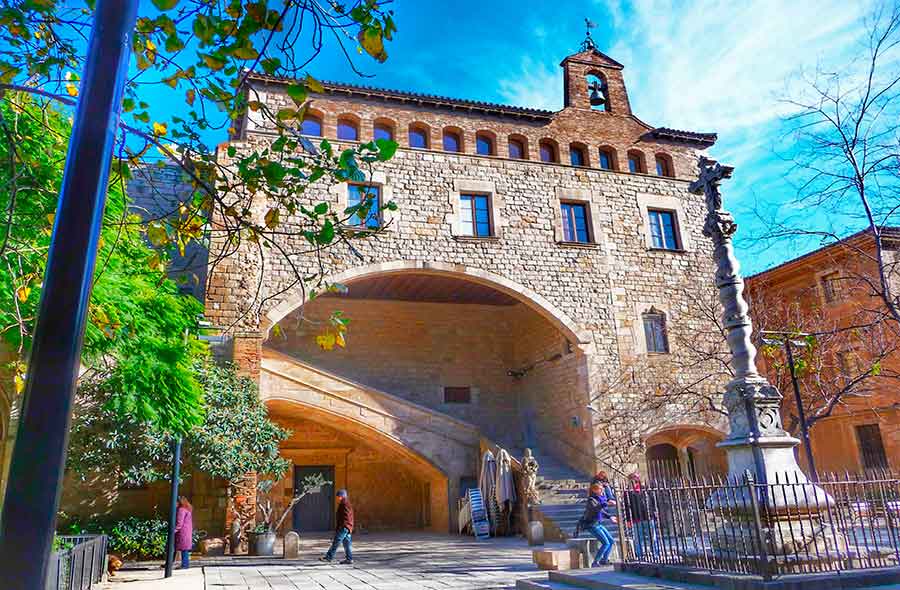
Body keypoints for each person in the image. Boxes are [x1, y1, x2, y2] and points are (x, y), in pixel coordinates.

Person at [578, 483, 616, 567]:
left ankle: (604, 560)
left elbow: (601, 511)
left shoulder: (600, 499)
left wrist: (610, 517)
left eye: (602, 489)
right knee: (605, 543)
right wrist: (607, 504)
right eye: (600, 489)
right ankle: (595, 562)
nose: (602, 490)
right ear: (594, 490)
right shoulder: (591, 500)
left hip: (598, 524)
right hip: (592, 525)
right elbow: (596, 508)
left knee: (611, 541)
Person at [623, 472, 658, 559]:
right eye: (633, 478)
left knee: (652, 537)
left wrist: (654, 512)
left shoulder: (645, 488)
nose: (635, 480)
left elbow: (652, 501)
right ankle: (639, 554)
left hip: (648, 515)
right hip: (636, 517)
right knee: (638, 538)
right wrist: (628, 520)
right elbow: (627, 506)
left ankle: (655, 553)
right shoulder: (628, 492)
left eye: (636, 478)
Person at [320, 489, 354, 564]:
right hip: (347, 527)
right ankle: (349, 559)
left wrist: (342, 526)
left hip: (344, 527)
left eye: (339, 496)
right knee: (347, 544)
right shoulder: (346, 503)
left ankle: (329, 557)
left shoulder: (344, 504)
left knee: (336, 542)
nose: (338, 498)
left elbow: (346, 517)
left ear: (342, 496)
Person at [174, 496, 193, 569]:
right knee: (185, 549)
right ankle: (185, 564)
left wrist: (174, 531)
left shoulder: (181, 510)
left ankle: (184, 565)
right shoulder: (187, 509)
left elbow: (179, 523)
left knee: (183, 549)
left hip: (182, 532)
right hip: (187, 531)